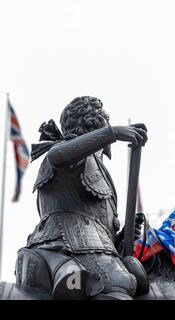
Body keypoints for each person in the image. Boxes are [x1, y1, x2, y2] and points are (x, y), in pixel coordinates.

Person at [16, 96, 148, 300]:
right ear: (95, 124)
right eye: (106, 120)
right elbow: (57, 157)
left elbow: (99, 224)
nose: (109, 124)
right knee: (117, 286)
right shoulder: (67, 151)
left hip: (92, 245)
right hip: (72, 245)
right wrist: (113, 133)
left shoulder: (91, 161)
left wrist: (123, 238)